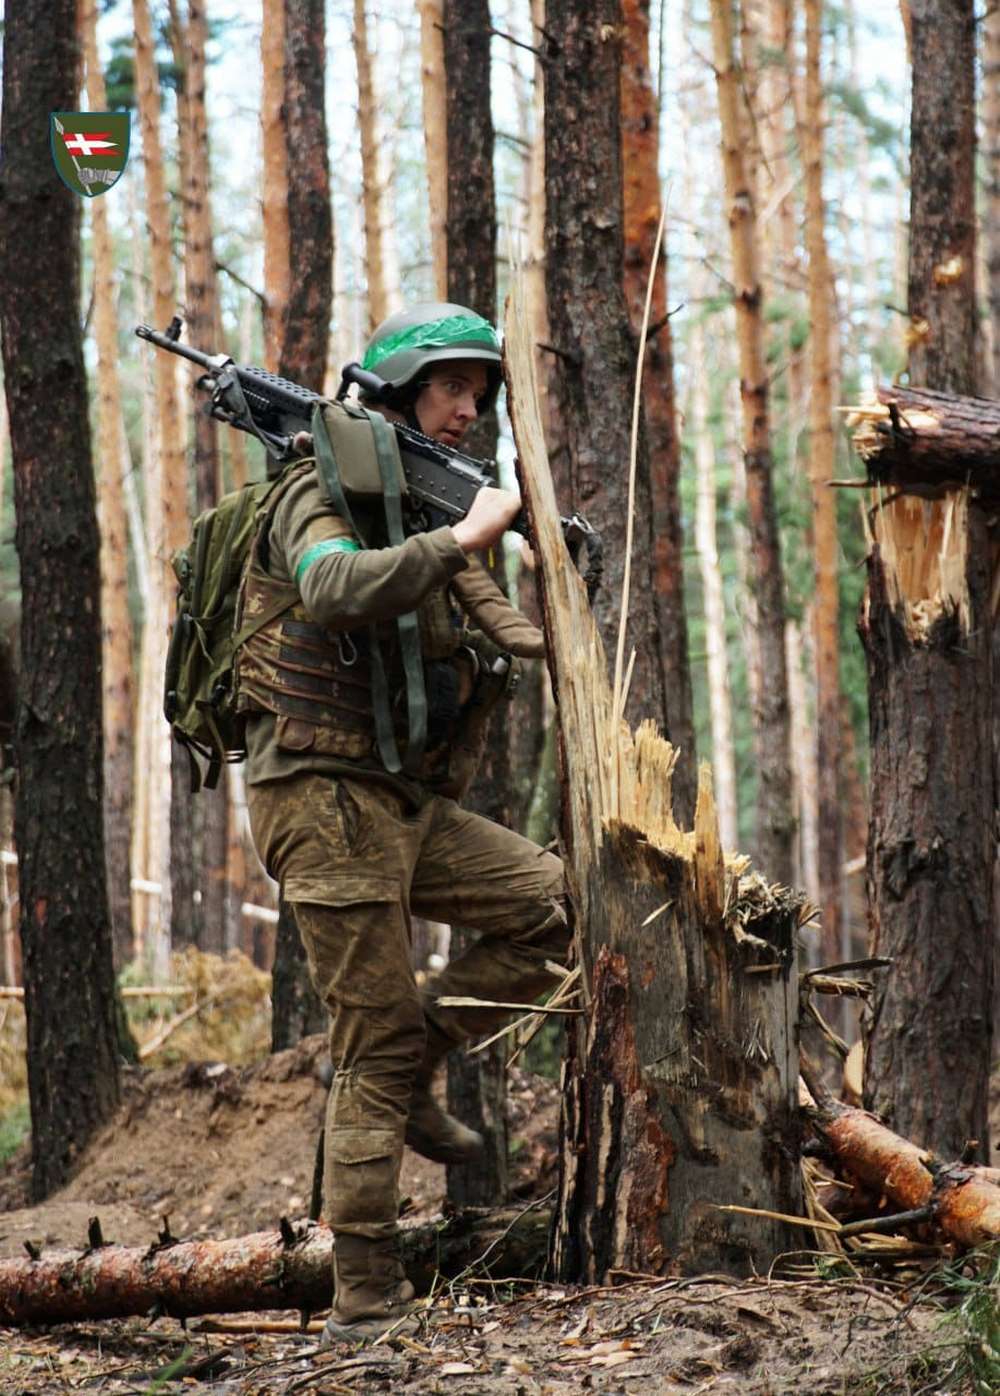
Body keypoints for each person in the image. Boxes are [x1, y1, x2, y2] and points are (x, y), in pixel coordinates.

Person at [235, 302, 568, 1343]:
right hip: (321, 800)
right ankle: (364, 1304)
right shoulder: (313, 484)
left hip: (403, 802)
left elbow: (489, 634)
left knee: (559, 911)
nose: (468, 409)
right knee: (368, 1043)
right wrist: (468, 535)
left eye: (480, 393)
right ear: (394, 390)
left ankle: (423, 1044)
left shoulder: (416, 506)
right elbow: (331, 588)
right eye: (448, 388)